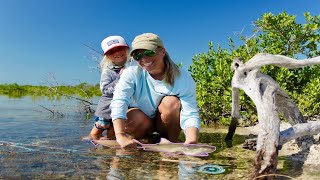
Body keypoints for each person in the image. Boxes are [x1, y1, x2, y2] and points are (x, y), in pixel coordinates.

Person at [110, 33, 201, 148]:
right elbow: (119, 101)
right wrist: (120, 135)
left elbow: (190, 112)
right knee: (134, 116)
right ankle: (137, 139)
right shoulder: (131, 73)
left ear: (163, 51)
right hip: (141, 121)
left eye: (149, 52)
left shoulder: (182, 77)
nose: (143, 59)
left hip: (162, 122)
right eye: (138, 56)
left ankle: (170, 143)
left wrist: (191, 140)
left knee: (171, 102)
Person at [88, 35, 132, 140]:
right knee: (97, 131)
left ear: (127, 49)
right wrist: (120, 78)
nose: (117, 53)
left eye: (119, 48)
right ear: (107, 56)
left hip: (124, 107)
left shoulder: (133, 66)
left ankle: (110, 149)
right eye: (112, 51)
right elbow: (105, 90)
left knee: (113, 133)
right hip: (106, 109)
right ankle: (92, 150)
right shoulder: (107, 70)